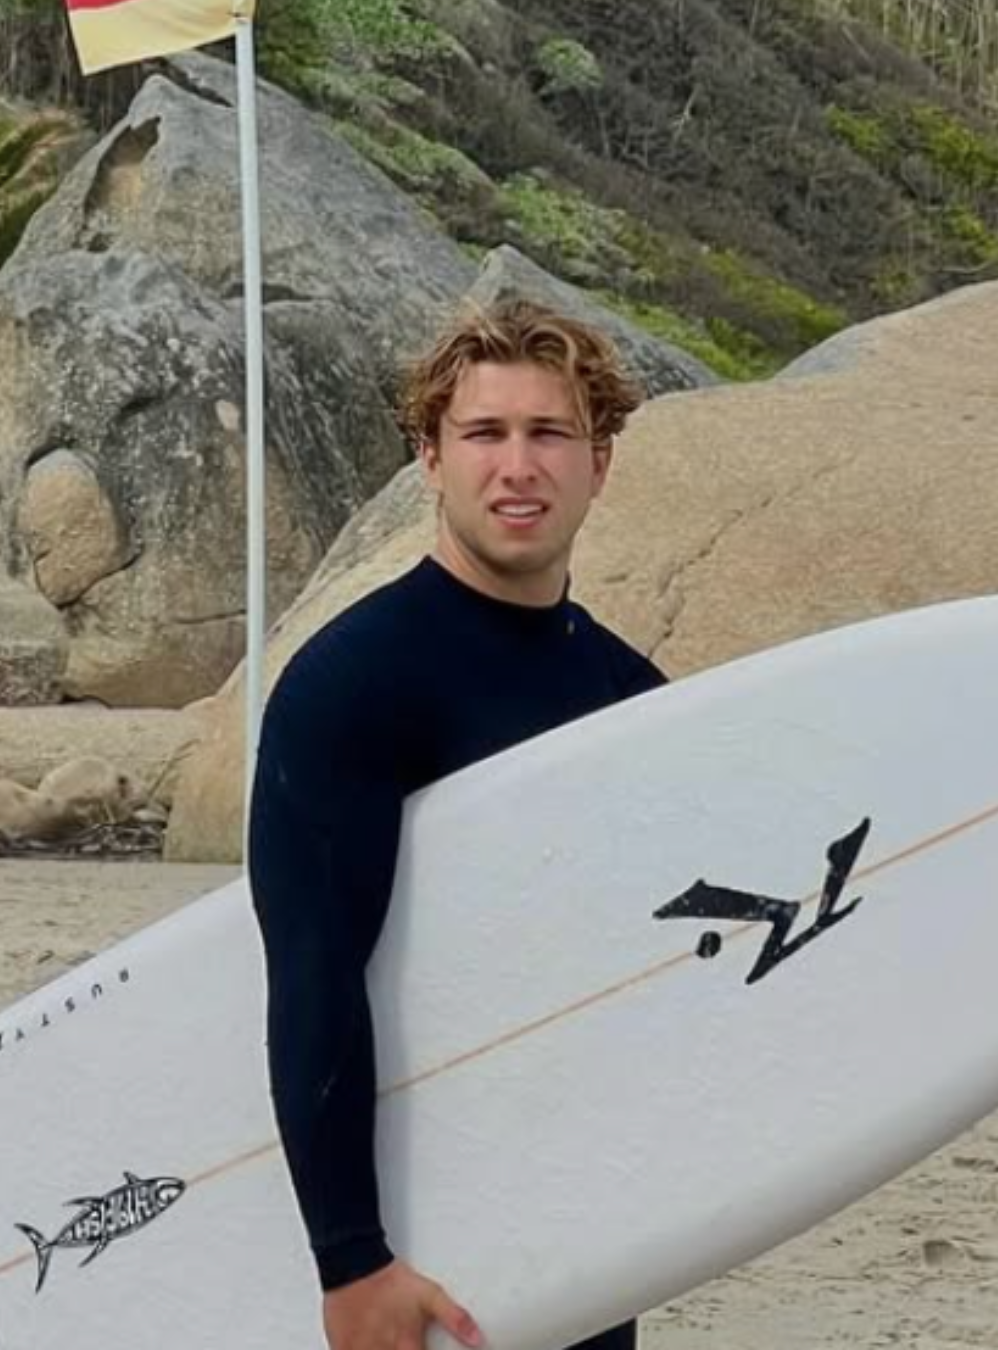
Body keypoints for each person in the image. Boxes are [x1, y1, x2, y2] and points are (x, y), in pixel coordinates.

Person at [248, 299, 668, 1350]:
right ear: (430, 459)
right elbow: (315, 976)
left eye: (550, 433)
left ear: (600, 463)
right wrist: (352, 1262)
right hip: (399, 1241)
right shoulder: (353, 684)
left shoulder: (633, 697)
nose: (517, 467)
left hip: (578, 1221)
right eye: (484, 433)